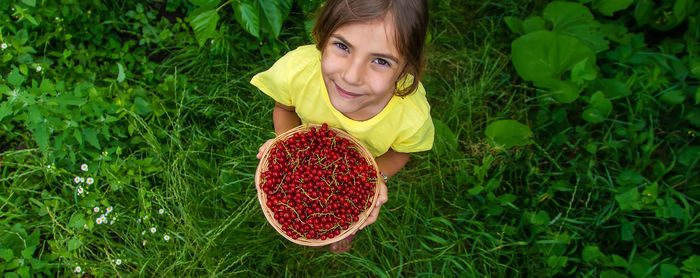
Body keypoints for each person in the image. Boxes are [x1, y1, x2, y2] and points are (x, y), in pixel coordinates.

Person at [252, 0, 433, 253]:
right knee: (322, 210)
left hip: (357, 173)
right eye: (342, 46)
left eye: (381, 61)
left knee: (344, 211)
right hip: (309, 153)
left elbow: (402, 150)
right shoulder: (297, 72)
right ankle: (336, 229)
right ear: (322, 37)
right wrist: (287, 145)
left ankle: (342, 231)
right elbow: (284, 109)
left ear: (406, 68)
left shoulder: (411, 117)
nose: (351, 76)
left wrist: (375, 177)